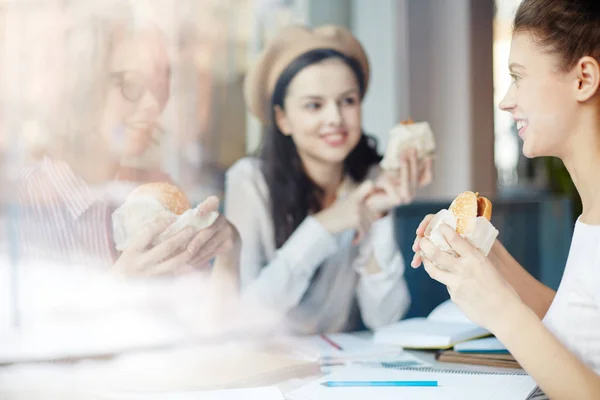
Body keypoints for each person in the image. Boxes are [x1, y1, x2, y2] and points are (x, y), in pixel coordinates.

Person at [412, 0, 600, 398]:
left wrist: (498, 307)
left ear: (583, 79)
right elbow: (580, 324)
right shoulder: (592, 213)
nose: (506, 101)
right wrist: (482, 249)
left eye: (518, 77)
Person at [225, 25, 432, 334]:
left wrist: (379, 217)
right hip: (267, 366)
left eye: (347, 101)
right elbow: (250, 314)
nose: (335, 118)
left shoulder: (369, 180)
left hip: (341, 366)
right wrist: (323, 226)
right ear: (282, 119)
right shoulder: (249, 181)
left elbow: (386, 318)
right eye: (314, 105)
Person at [15, 2, 240, 281]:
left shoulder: (150, 193)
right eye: (131, 87)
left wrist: (228, 252)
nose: (153, 106)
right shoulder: (25, 200)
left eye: (160, 90)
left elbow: (203, 313)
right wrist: (119, 284)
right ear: (85, 86)